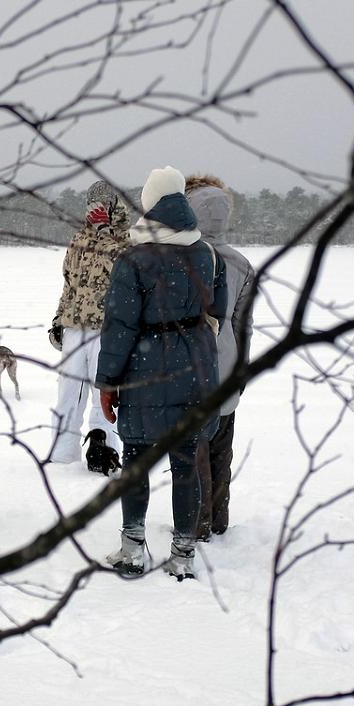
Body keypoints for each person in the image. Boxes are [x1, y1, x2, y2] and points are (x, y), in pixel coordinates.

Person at [94, 167, 226, 580]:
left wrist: (107, 381)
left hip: (144, 368)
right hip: (195, 367)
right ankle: (183, 555)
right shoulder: (206, 254)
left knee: (136, 460)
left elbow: (119, 326)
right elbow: (217, 313)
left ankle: (133, 549)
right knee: (187, 463)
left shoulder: (134, 260)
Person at [185, 176, 256, 542]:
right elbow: (245, 324)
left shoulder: (184, 258)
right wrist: (240, 368)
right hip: (228, 359)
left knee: (194, 444)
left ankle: (196, 522)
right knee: (220, 443)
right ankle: (218, 516)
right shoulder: (241, 263)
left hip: (191, 360)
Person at [46, 180, 128, 474]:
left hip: (108, 328)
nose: (97, 210)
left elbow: (126, 269)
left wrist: (106, 233)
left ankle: (103, 446)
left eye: (103, 204)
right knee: (67, 391)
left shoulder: (125, 240)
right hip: (74, 327)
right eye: (93, 204)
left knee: (103, 390)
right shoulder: (78, 239)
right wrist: (59, 318)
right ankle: (62, 451)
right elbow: (69, 285)